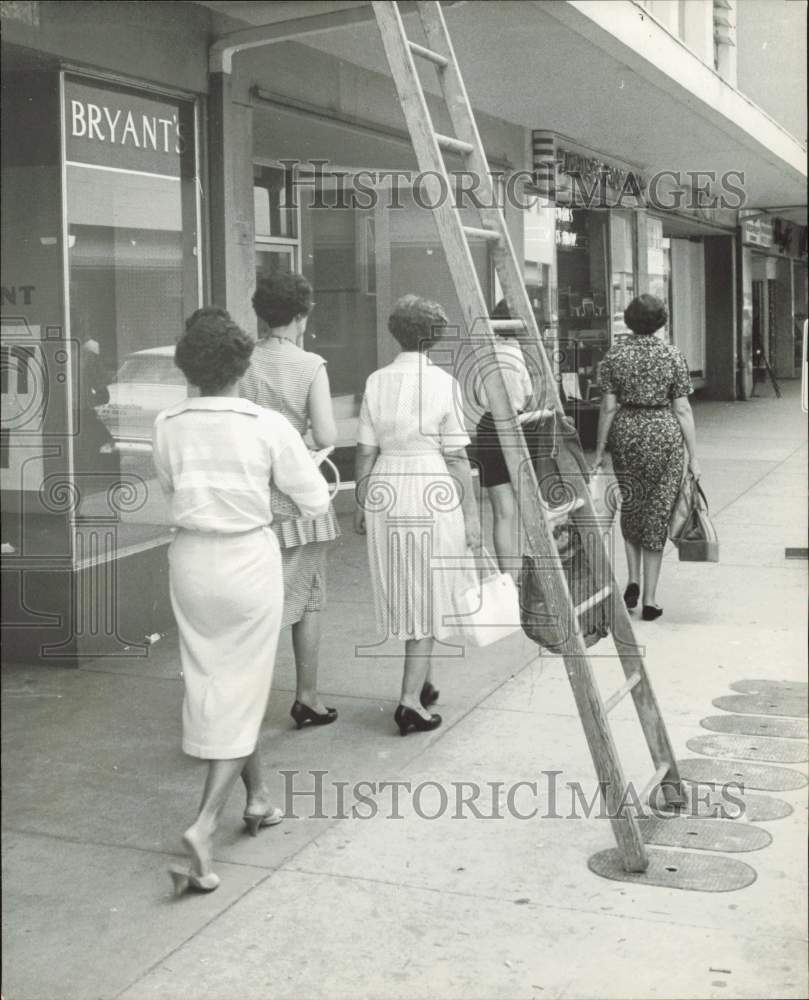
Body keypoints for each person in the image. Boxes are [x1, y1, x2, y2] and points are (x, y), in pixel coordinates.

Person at [152, 308, 329, 894]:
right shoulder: (265, 424)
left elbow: (171, 487)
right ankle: (203, 827)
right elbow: (312, 501)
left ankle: (257, 798)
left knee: (217, 679)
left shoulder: (169, 422)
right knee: (247, 682)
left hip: (191, 560)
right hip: (247, 559)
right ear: (240, 364)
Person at [354, 295, 481, 736]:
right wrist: (472, 516)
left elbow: (365, 451)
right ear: (435, 337)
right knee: (428, 591)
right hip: (431, 487)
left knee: (407, 583)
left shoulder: (375, 381)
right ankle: (409, 701)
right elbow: (458, 457)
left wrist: (361, 500)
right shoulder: (444, 382)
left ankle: (422, 683)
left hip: (386, 488)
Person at [239, 271, 341, 730]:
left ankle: (242, 699)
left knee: (254, 596)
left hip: (251, 492)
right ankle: (307, 697)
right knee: (308, 595)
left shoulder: (241, 362)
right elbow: (327, 435)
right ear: (301, 314)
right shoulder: (310, 365)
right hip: (297, 497)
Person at [591, 294, 700, 621]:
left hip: (627, 434)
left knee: (632, 504)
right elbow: (682, 408)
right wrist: (693, 456)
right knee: (658, 513)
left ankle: (632, 580)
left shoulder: (615, 355)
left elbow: (609, 407)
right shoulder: (672, 356)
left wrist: (599, 452)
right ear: (661, 322)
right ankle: (650, 600)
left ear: (628, 320)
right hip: (664, 434)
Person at [471, 299, 540, 573]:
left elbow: (477, 396)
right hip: (520, 424)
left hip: (489, 426)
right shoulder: (523, 357)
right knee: (528, 506)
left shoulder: (485, 355)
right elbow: (529, 398)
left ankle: (508, 579)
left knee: (502, 511)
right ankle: (529, 568)